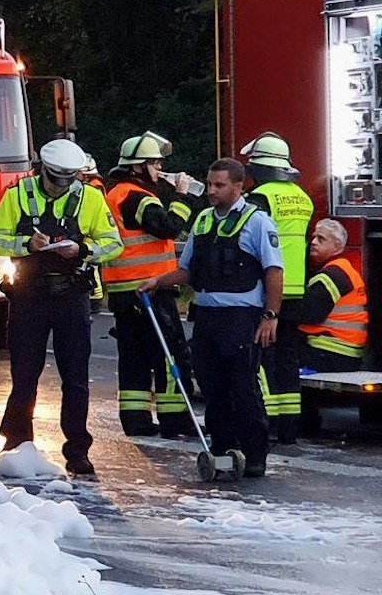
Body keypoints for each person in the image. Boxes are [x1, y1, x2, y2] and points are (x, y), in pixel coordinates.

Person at [0, 138, 124, 476]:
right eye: (56, 180)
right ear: (43, 170)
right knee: (24, 376)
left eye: (69, 180)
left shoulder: (90, 197)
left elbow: (113, 243)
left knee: (75, 379)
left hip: (71, 296)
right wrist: (26, 244)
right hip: (28, 296)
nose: (62, 187)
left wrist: (81, 250)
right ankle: (15, 446)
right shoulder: (18, 194)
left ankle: (77, 451)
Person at [139, 158, 283, 478]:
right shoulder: (203, 220)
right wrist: (158, 281)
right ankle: (222, 448)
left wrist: (270, 316)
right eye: (210, 184)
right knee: (212, 387)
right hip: (207, 317)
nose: (211, 191)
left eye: (219, 185)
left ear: (238, 186)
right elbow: (187, 270)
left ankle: (255, 453)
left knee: (243, 387)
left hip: (242, 318)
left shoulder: (257, 222)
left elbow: (274, 271)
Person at [102, 132, 193, 437]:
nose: (159, 169)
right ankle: (176, 419)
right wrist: (182, 196)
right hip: (149, 291)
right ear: (138, 166)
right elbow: (167, 226)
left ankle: (136, 419)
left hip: (125, 291)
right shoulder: (135, 196)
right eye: (155, 163)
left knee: (134, 358)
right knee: (170, 354)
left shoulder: (116, 194)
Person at [240, 131, 314, 442]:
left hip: (268, 289)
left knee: (264, 358)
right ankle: (289, 427)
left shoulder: (260, 198)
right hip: (296, 289)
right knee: (288, 358)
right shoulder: (303, 197)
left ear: (257, 168)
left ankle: (266, 422)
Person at [295, 220, 369, 436]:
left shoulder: (332, 275)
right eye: (314, 237)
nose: (314, 242)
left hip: (331, 351)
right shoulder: (342, 269)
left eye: (321, 239)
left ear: (338, 246)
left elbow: (309, 315)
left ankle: (299, 421)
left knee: (279, 358)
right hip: (341, 351)